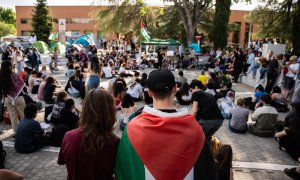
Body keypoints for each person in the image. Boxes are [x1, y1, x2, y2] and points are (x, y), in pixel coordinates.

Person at [115, 69, 217, 180]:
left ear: (149, 92)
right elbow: (208, 173)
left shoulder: (131, 130)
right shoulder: (195, 130)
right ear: (174, 90)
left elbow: (122, 171)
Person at [58, 89, 119, 180]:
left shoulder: (69, 137)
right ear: (110, 112)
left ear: (85, 110)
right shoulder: (115, 142)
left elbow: (62, 161)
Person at [190, 79, 224, 144]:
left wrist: (189, 123)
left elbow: (194, 110)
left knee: (197, 139)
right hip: (219, 120)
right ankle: (208, 153)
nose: (192, 92)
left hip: (207, 121)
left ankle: (200, 153)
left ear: (196, 87)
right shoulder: (209, 94)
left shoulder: (196, 93)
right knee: (207, 137)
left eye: (191, 90)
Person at [0, 61, 26, 133]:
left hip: (7, 99)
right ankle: (25, 130)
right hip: (19, 97)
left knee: (13, 117)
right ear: (9, 67)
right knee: (24, 115)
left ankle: (16, 132)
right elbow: (22, 84)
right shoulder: (15, 75)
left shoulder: (1, 77)